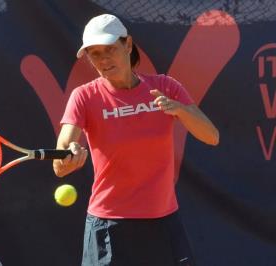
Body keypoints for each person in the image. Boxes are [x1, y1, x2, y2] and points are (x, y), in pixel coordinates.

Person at [53, 14, 219, 266]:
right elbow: (61, 158)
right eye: (94, 54)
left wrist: (180, 110)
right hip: (108, 224)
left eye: (110, 49)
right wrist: (69, 155)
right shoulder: (84, 97)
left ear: (128, 45)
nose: (104, 60)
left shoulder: (165, 86)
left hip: (163, 221)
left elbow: (212, 136)